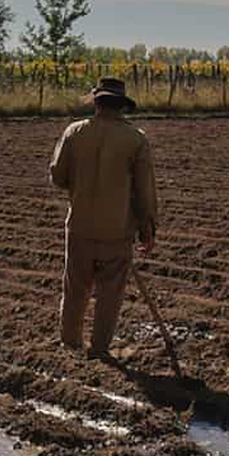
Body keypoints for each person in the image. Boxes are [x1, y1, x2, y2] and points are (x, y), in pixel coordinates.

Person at [48, 77, 159, 360]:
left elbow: (57, 176)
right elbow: (144, 191)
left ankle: (70, 343)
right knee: (110, 294)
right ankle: (99, 349)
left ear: (97, 103)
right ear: (121, 105)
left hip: (79, 227)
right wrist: (147, 229)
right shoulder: (136, 139)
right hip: (117, 231)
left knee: (75, 289)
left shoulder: (74, 132)